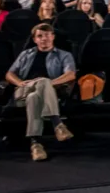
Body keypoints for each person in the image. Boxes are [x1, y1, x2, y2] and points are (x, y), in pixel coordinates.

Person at [5, 24, 75, 161]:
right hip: (23, 91)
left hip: (47, 93)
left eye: (48, 35)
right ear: (35, 39)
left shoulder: (64, 55)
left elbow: (71, 75)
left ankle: (36, 145)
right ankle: (57, 124)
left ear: (53, 37)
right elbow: (9, 74)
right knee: (37, 87)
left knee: (34, 98)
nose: (44, 38)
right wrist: (19, 83)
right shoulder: (26, 54)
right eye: (40, 36)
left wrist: (48, 83)